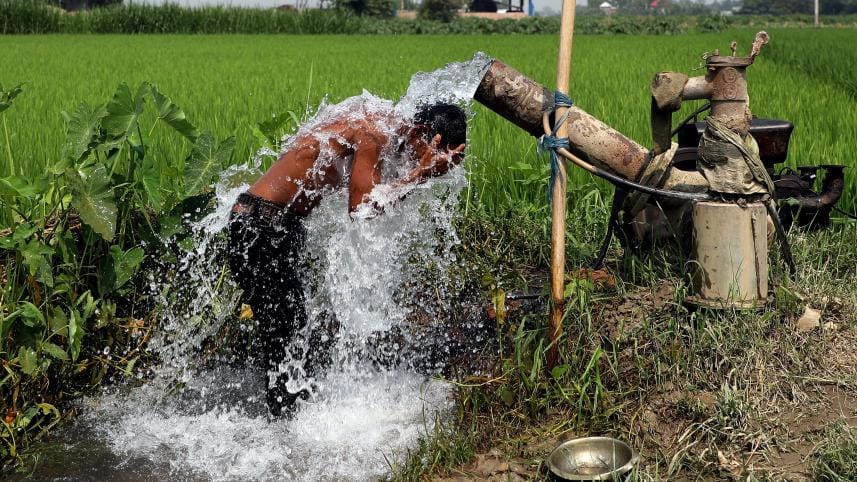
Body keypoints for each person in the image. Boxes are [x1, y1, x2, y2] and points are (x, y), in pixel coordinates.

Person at [227, 99, 467, 416]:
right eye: (428, 153)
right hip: (259, 226)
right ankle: (282, 438)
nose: (418, 159)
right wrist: (419, 174)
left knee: (291, 335)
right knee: (286, 338)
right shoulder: (376, 133)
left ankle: (289, 425)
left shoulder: (384, 123)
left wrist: (418, 172)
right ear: (423, 133)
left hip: (274, 224)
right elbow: (362, 210)